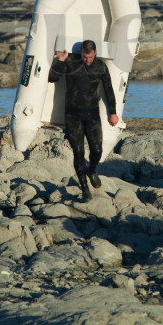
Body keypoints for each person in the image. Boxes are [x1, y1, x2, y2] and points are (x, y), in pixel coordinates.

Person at [48, 39, 118, 202]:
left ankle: (92, 171)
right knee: (78, 151)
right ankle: (85, 189)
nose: (87, 60)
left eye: (90, 57)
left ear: (95, 53)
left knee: (97, 150)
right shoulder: (71, 61)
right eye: (85, 57)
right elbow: (52, 78)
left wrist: (112, 113)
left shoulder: (100, 66)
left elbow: (108, 89)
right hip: (72, 114)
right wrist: (60, 61)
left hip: (92, 113)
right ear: (81, 52)